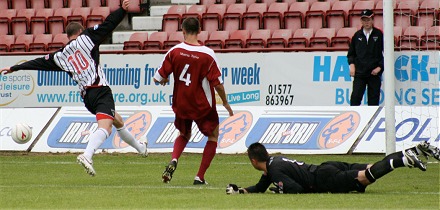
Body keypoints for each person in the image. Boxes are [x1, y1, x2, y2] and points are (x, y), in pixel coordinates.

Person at [0, 0, 147, 176]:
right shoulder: (87, 38)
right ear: (80, 31)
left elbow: (39, 62)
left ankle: (141, 148)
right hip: (100, 90)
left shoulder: (61, 55)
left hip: (87, 98)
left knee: (118, 120)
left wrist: (15, 68)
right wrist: (122, 11)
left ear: (68, 36)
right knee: (106, 128)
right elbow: (108, 24)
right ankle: (87, 155)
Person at [153, 17, 234, 185]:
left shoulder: (174, 51)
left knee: (183, 134)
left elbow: (158, 78)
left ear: (182, 30)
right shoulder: (207, 54)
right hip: (201, 104)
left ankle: (174, 159)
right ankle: (200, 176)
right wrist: (225, 102)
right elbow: (217, 84)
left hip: (181, 102)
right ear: (199, 31)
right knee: (213, 135)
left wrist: (164, 80)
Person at [226, 142, 440, 194]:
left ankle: (403, 160)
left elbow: (297, 189)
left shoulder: (274, 171)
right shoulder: (274, 163)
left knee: (366, 176)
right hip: (326, 166)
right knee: (370, 166)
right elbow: (260, 187)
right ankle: (415, 149)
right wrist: (241, 191)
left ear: (253, 161)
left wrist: (281, 188)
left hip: (324, 178)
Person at [347, 9, 384, 106]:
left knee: (373, 100)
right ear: (361, 21)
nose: (366, 22)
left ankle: (372, 120)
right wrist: (352, 65)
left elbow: (386, 53)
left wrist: (380, 67)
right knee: (355, 98)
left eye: (368, 20)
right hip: (360, 72)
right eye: (364, 20)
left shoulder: (379, 35)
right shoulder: (357, 35)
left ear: (372, 20)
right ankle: (354, 120)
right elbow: (351, 53)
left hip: (374, 73)